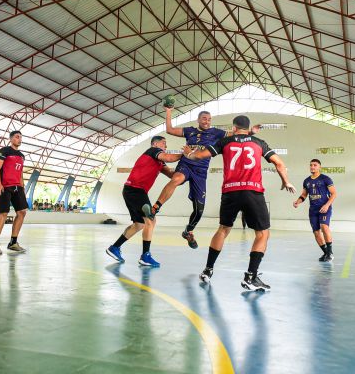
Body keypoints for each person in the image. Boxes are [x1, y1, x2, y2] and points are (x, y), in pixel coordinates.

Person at [183, 115, 295, 291]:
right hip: (253, 191)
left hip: (230, 192)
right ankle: (251, 277)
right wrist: (286, 181)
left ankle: (208, 270)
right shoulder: (259, 143)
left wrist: (188, 152)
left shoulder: (225, 142)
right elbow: (279, 163)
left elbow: (199, 156)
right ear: (247, 128)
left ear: (234, 128)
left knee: (223, 229)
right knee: (262, 234)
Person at [150, 106, 260, 250]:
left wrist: (251, 132)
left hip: (201, 171)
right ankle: (155, 208)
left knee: (199, 210)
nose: (207, 121)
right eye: (204, 118)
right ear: (198, 120)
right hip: (186, 164)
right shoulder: (190, 131)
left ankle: (188, 231)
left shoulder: (216, 133)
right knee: (176, 179)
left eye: (209, 119)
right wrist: (169, 111)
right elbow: (170, 130)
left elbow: (235, 134)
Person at [106, 136, 182, 267]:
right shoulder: (153, 151)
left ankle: (114, 247)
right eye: (164, 143)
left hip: (133, 191)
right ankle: (145, 256)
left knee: (139, 224)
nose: (166, 146)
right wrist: (185, 153)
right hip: (135, 190)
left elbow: (171, 175)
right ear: (155, 143)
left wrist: (185, 167)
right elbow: (170, 157)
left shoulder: (159, 162)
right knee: (150, 220)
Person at [0, 130, 28, 254]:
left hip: (18, 187)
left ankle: (13, 242)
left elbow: (20, 172)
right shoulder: (4, 151)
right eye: (17, 137)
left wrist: (22, 186)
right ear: (11, 139)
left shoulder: (22, 156)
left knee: (22, 212)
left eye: (21, 137)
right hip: (5, 186)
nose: (19, 139)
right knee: (3, 213)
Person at [293, 159, 337, 261]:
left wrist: (327, 205)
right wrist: (297, 202)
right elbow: (304, 195)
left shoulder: (326, 179)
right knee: (316, 232)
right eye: (311, 165)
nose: (312, 167)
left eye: (315, 165)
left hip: (324, 207)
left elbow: (334, 194)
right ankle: (326, 253)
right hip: (313, 210)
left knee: (324, 227)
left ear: (319, 167)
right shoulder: (306, 181)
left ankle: (330, 252)